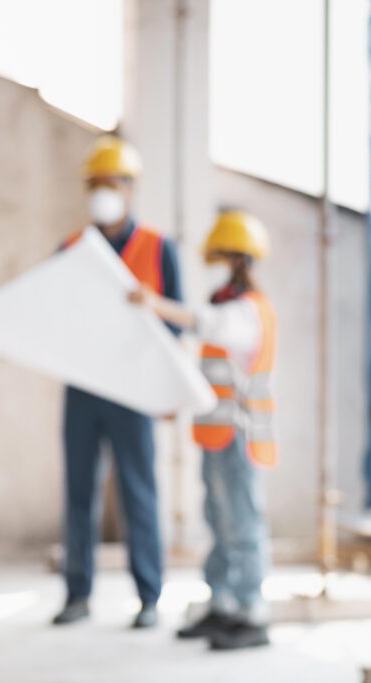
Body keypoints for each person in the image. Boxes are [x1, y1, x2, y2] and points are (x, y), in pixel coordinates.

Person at [128, 209, 277, 650]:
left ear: (241, 260)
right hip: (217, 435)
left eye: (225, 258)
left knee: (243, 525)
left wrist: (157, 305)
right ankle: (224, 605)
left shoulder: (248, 312)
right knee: (218, 520)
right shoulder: (229, 304)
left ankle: (253, 612)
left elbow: (208, 324)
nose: (220, 268)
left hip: (241, 436)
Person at [52, 136, 183, 629]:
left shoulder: (157, 247)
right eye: (96, 185)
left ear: (130, 189)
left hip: (135, 389)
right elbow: (51, 312)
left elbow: (176, 323)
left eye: (112, 183)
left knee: (139, 490)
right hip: (84, 387)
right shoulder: (71, 248)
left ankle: (150, 597)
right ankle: (77, 594)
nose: (103, 192)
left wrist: (169, 387)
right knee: (79, 492)